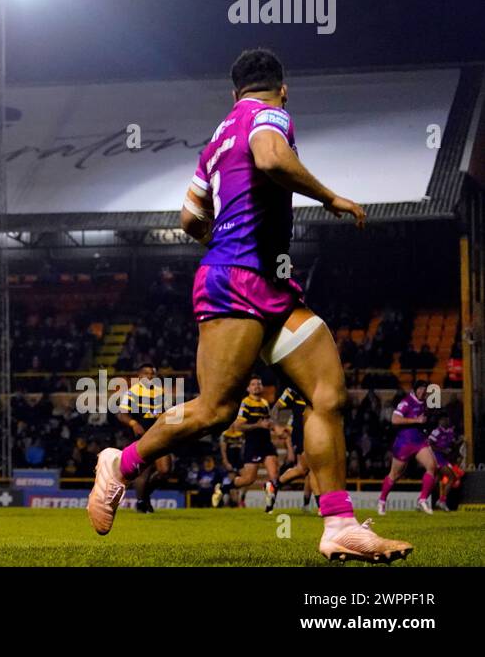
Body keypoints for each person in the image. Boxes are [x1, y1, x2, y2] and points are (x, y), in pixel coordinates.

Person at [88, 49, 411, 562]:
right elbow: (271, 157)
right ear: (283, 88)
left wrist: (226, 240)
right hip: (238, 280)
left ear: (232, 91)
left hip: (268, 282)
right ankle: (119, 463)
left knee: (328, 394)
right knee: (216, 411)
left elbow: (190, 217)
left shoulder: (215, 140)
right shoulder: (271, 115)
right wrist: (331, 199)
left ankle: (339, 523)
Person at [378, 381, 437, 516]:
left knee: (432, 466)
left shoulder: (426, 403)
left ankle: (422, 500)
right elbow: (394, 419)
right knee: (395, 475)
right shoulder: (407, 402)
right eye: (420, 389)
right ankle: (381, 501)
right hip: (404, 443)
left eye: (424, 389)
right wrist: (416, 420)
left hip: (419, 442)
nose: (422, 391)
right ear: (415, 390)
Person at [118, 365, 169, 514]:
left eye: (152, 374)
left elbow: (164, 413)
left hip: (159, 436)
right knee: (143, 473)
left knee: (165, 470)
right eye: (146, 373)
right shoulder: (132, 393)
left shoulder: (160, 393)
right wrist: (133, 423)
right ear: (139, 376)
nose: (150, 376)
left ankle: (145, 495)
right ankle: (141, 503)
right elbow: (122, 414)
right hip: (141, 437)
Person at [225, 376, 282, 512]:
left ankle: (269, 508)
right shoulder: (245, 403)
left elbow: (267, 422)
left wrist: (276, 428)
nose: (257, 386)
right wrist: (258, 425)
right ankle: (223, 488)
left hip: (266, 443)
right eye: (253, 384)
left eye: (259, 384)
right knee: (248, 479)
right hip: (252, 444)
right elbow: (239, 426)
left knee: (275, 476)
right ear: (248, 388)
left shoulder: (265, 403)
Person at [429, 416, 462, 511]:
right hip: (437, 457)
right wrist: (442, 450)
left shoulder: (450, 432)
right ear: (440, 421)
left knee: (437, 479)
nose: (446, 420)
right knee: (452, 477)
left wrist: (459, 441)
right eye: (444, 419)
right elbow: (429, 444)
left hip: (443, 459)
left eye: (447, 419)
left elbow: (452, 445)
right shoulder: (437, 431)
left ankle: (423, 499)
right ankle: (441, 501)